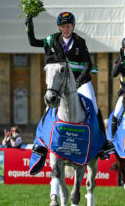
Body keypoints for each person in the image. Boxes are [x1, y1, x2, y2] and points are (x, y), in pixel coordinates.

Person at [26, 11, 113, 155]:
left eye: (68, 26)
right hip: (62, 84)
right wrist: (29, 25)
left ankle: (103, 144)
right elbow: (33, 42)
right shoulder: (52, 40)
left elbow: (87, 64)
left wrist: (78, 82)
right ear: (59, 27)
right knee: (49, 108)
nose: (66, 29)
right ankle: (40, 142)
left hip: (81, 82)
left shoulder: (80, 41)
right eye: (63, 26)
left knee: (94, 107)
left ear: (73, 26)